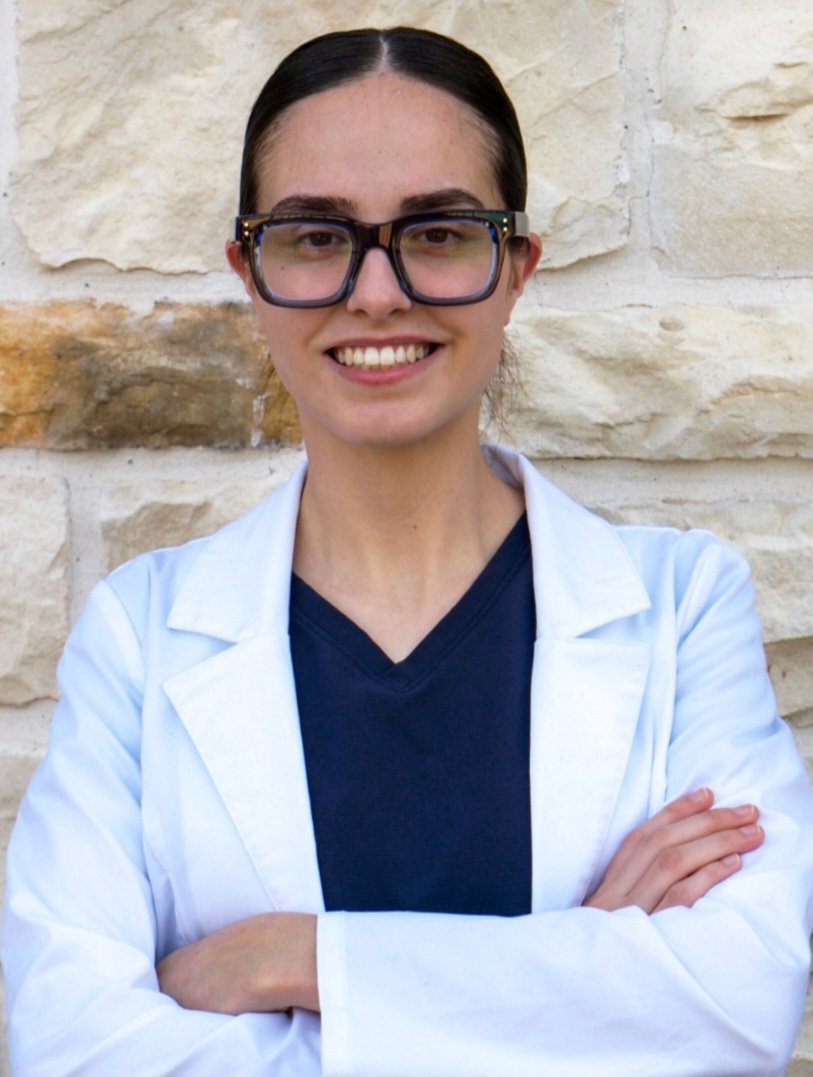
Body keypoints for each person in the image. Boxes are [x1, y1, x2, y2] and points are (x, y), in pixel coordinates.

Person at [3, 25, 813, 1077]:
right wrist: (580, 971)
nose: (377, 293)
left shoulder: (680, 605)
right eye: (315, 237)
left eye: (436, 233)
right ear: (250, 272)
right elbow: (72, 1046)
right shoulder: (139, 638)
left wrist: (294, 962)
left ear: (514, 266)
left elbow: (736, 1004)